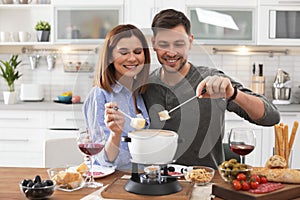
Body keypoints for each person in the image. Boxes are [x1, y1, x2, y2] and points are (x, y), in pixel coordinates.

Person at [142, 9, 280, 169]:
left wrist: (232, 93)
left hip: (207, 183)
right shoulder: (145, 85)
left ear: (190, 42)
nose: (171, 52)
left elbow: (271, 117)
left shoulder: (212, 80)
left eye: (179, 44)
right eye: (163, 44)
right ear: (153, 44)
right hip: (157, 182)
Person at [83, 24, 151, 170]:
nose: (132, 58)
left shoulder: (139, 93)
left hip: (141, 176)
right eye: (123, 52)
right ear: (109, 57)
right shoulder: (99, 95)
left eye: (138, 51)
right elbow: (102, 159)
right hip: (114, 181)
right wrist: (115, 133)